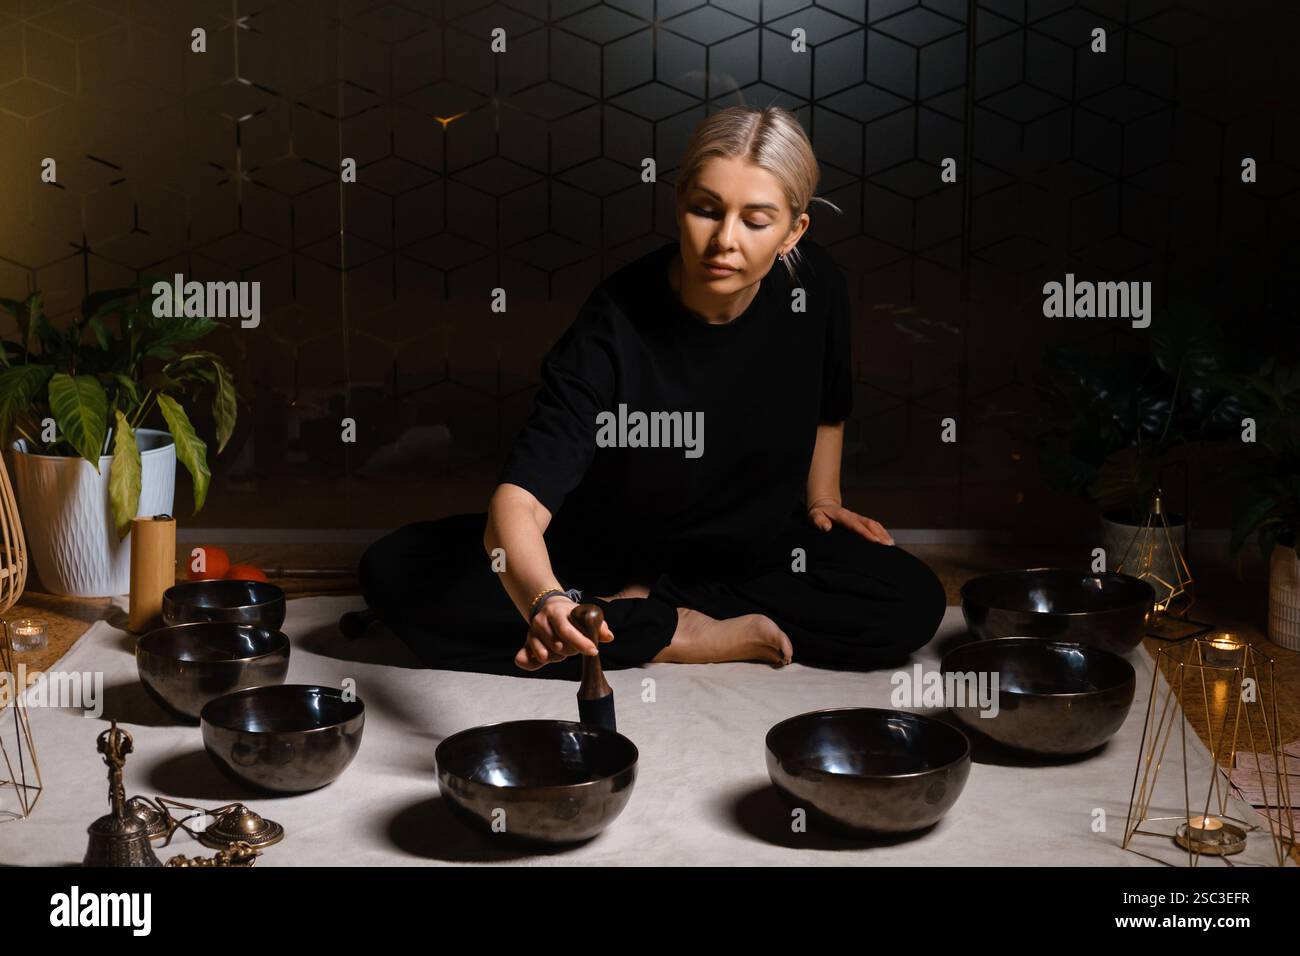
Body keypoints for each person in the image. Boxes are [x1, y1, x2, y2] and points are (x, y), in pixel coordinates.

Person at [358, 105, 947, 681]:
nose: (724, 240)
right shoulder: (613, 320)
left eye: (756, 220)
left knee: (913, 601)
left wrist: (822, 499)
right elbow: (520, 504)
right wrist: (545, 603)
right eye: (706, 210)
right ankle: (666, 631)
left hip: (748, 558)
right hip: (608, 553)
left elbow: (829, 405)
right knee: (395, 573)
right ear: (679, 203)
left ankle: (641, 611)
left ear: (794, 231)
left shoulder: (816, 288)